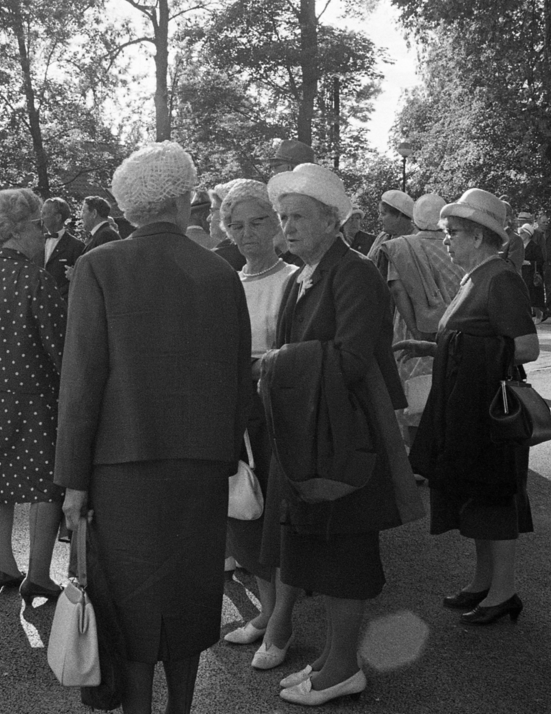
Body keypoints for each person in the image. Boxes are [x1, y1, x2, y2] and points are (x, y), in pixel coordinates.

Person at [56, 141, 252, 714]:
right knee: (191, 596)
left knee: (130, 602)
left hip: (121, 466)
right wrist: (227, 455)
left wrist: (72, 480)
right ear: (184, 198)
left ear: (128, 206)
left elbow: (81, 383)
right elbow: (238, 376)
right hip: (201, 463)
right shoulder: (219, 272)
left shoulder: (99, 266)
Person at [263, 163, 423, 706]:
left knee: (344, 555)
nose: (287, 227)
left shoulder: (354, 272)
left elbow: (352, 358)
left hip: (346, 436)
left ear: (332, 221)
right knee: (321, 549)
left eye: (299, 216)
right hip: (317, 432)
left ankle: (344, 668)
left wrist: (275, 363)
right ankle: (333, 659)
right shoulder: (307, 273)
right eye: (284, 216)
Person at [402, 188, 539, 624]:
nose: (446, 240)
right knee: (475, 499)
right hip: (467, 409)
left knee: (494, 499)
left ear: (479, 237)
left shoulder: (500, 278)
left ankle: (504, 592)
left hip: (490, 414)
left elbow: (526, 347)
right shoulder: (474, 278)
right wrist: (430, 347)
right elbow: (470, 339)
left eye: (453, 232)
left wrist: (460, 350)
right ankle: (483, 583)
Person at [214, 179, 302, 669]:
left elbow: (298, 353)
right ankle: (266, 611)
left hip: (280, 412)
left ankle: (283, 621)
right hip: (236, 411)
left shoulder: (294, 279)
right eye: (237, 225)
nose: (247, 234)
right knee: (245, 513)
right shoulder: (227, 280)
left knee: (281, 519)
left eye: (258, 222)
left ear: (276, 224)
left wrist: (251, 366)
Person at [0, 188, 69, 605]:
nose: (44, 236)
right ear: (20, 230)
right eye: (39, 227)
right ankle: (39, 575)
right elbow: (59, 344)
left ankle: (3, 565)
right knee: (46, 484)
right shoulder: (35, 278)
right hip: (33, 395)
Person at [379, 194, 464, 437]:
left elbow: (397, 289)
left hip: (412, 327)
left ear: (415, 218)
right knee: (447, 386)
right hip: (452, 326)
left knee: (414, 393)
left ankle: (417, 449)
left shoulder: (403, 247)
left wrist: (417, 332)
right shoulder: (456, 245)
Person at [39, 197, 86, 302]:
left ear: (58, 217)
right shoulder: (36, 243)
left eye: (45, 214)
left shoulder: (76, 246)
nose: (41, 218)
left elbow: (80, 281)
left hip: (62, 304)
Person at [365, 189, 414, 269]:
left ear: (398, 216)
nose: (379, 219)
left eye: (383, 214)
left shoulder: (415, 242)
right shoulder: (383, 236)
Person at [519, 222, 546, 321]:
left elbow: (540, 261)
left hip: (531, 275)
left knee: (533, 297)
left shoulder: (534, 246)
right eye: (520, 233)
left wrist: (528, 262)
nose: (520, 235)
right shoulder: (519, 246)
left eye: (522, 233)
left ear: (528, 234)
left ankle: (538, 315)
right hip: (521, 274)